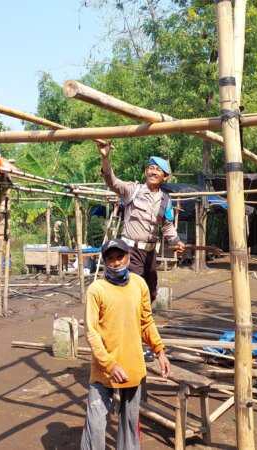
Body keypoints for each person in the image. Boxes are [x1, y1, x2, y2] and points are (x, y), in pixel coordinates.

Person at [81, 238, 171, 450]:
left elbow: (146, 321)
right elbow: (91, 332)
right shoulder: (96, 290)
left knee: (130, 424)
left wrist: (159, 351)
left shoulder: (139, 285)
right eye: (110, 258)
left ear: (128, 257)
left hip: (132, 366)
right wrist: (109, 364)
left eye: (119, 257)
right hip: (103, 371)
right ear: (104, 262)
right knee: (95, 424)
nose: (115, 262)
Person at [98, 143, 185, 303]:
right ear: (146, 172)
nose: (153, 171)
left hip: (150, 253)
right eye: (150, 168)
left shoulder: (165, 200)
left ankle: (141, 321)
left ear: (165, 177)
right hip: (130, 251)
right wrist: (105, 157)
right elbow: (112, 182)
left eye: (158, 169)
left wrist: (176, 241)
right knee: (133, 290)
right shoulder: (133, 190)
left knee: (151, 292)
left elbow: (167, 226)